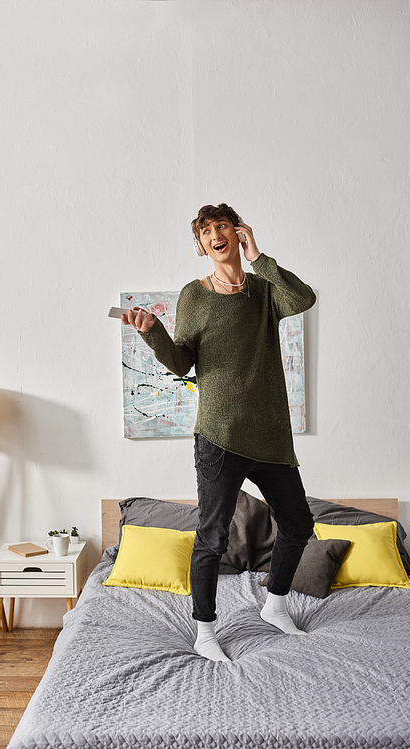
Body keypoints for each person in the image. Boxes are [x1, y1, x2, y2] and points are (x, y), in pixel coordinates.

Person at [122, 203, 316, 662]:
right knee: (212, 538)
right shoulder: (195, 294)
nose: (215, 235)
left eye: (222, 226)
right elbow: (181, 362)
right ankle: (205, 631)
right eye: (206, 231)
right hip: (218, 437)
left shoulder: (266, 290)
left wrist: (259, 256)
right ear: (201, 244)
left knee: (299, 524)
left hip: (270, 436)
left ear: (237, 232)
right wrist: (152, 333)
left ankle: (275, 605)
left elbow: (303, 299)